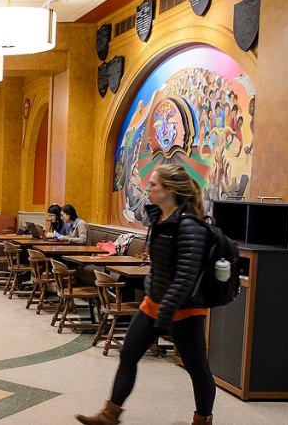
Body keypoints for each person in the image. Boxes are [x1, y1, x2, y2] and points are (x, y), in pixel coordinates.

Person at [76, 164, 213, 425]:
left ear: (169, 190)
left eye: (153, 184)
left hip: (185, 309)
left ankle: (202, 420)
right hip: (154, 303)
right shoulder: (159, 219)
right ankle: (109, 415)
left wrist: (164, 316)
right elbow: (160, 265)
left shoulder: (190, 227)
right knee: (128, 355)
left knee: (197, 369)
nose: (148, 188)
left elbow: (185, 277)